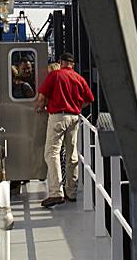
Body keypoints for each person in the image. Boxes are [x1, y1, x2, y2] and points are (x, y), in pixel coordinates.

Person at [35, 52, 93, 208]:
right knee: (72, 154)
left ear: (61, 62)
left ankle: (56, 192)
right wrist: (76, 108)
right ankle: (71, 192)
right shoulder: (79, 79)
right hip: (74, 118)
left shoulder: (55, 75)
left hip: (57, 117)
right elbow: (89, 100)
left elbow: (42, 97)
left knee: (51, 152)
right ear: (72, 64)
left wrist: (39, 108)